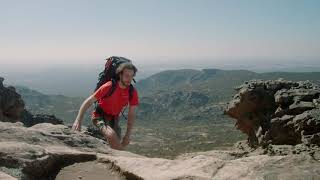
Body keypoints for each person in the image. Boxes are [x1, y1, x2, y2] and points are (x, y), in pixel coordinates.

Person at [72, 63, 139, 150]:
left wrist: (128, 135)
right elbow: (89, 101)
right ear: (120, 75)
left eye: (131, 76)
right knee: (111, 135)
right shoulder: (109, 86)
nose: (129, 79)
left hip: (114, 119)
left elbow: (132, 114)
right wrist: (78, 120)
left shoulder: (132, 91)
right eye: (127, 76)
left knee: (119, 144)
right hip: (99, 116)